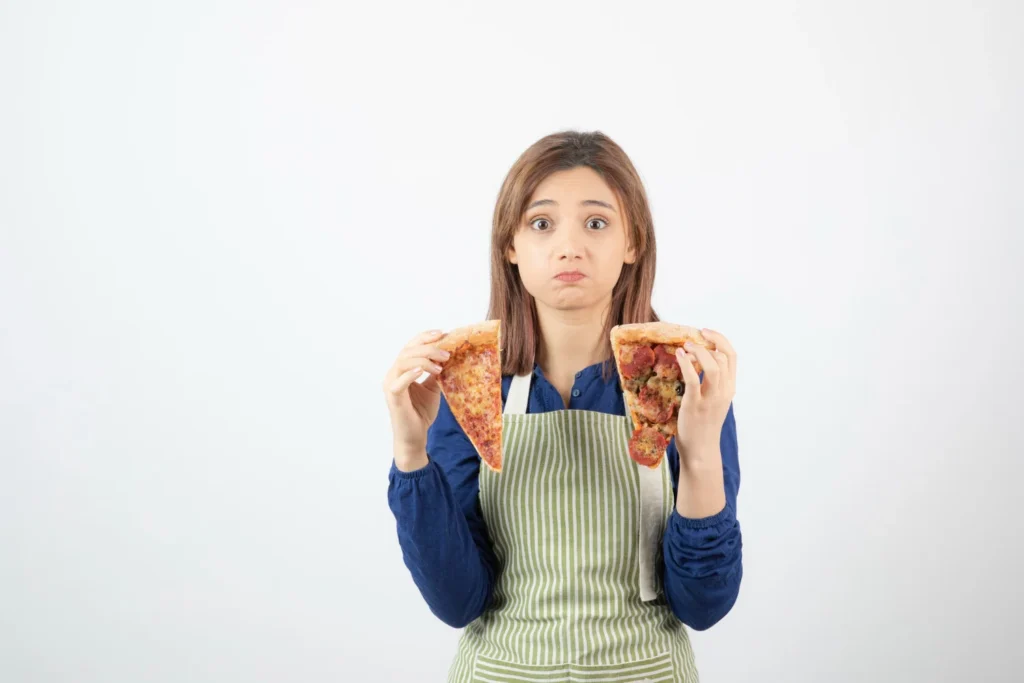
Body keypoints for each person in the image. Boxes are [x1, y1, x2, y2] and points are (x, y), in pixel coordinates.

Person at [384, 130, 742, 682]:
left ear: (633, 243)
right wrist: (411, 454)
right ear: (511, 245)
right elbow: (458, 602)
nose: (569, 246)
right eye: (542, 223)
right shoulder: (470, 388)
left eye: (596, 223)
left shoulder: (681, 384)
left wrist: (698, 457)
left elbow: (703, 606)